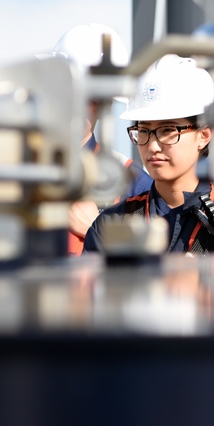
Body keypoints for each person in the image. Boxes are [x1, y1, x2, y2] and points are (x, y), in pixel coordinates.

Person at [83, 55, 214, 256]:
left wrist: (202, 282)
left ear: (203, 135)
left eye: (168, 131)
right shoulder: (111, 224)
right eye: (143, 131)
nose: (152, 145)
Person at [47, 23, 153, 254]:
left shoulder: (133, 182)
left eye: (91, 98)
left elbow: (154, 267)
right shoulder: (18, 169)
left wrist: (97, 231)